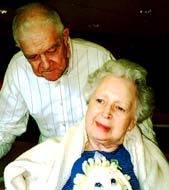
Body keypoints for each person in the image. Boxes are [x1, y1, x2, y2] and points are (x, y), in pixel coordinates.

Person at [0, 59, 168, 190]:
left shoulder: (145, 161)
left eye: (120, 108)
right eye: (100, 101)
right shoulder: (50, 156)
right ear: (89, 103)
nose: (106, 112)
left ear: (132, 122)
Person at [0, 2, 156, 159]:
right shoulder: (18, 68)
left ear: (65, 37)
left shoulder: (99, 58)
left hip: (104, 161)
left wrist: (151, 166)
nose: (46, 64)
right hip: (51, 162)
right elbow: (4, 129)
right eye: (33, 57)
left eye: (52, 50)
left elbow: (139, 122)